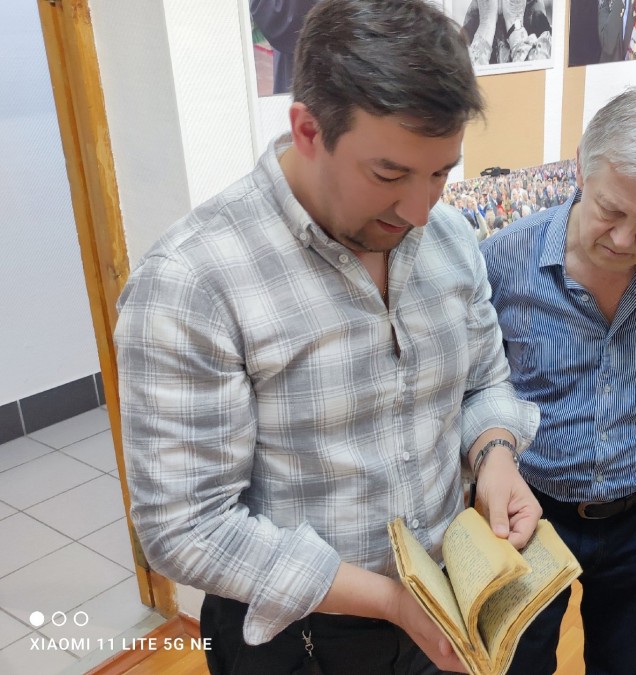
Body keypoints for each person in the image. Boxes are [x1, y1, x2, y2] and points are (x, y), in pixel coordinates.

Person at [114, 1, 543, 672]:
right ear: (308, 130)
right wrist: (391, 600)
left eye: (441, 173)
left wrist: (495, 456)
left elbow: (486, 382)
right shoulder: (194, 281)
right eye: (389, 175)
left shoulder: (450, 239)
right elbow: (185, 527)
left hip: (445, 600)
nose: (419, 209)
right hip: (296, 635)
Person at [482, 88, 636, 675]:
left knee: (626, 662)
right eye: (610, 210)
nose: (623, 239)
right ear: (580, 168)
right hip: (528, 509)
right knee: (520, 663)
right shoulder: (502, 261)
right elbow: (477, 388)